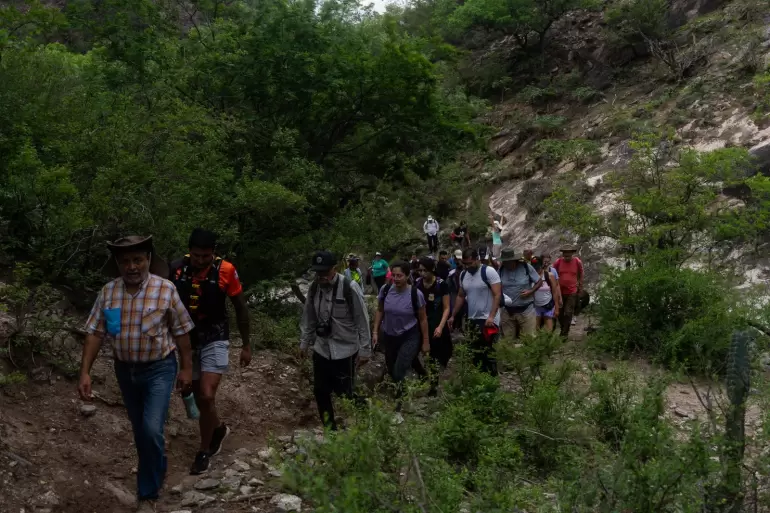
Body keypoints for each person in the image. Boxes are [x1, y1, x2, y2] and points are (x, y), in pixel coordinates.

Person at [79, 236, 194, 512]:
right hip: (125, 370)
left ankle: (148, 494)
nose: (132, 266)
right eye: (125, 261)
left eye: (138, 260)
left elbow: (182, 333)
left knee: (151, 427)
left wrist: (187, 369)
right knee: (140, 431)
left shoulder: (165, 290)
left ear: (148, 261)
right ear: (118, 264)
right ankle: (157, 467)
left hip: (160, 368)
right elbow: (95, 333)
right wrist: (85, 372)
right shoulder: (109, 292)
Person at [169, 229, 252, 475]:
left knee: (206, 395)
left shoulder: (226, 271)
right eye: (197, 256)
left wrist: (246, 345)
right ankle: (217, 428)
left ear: (214, 253)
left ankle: (204, 450)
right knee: (194, 392)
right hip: (187, 339)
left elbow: (240, 307)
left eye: (206, 256)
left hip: (216, 335)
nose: (201, 260)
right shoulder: (176, 270)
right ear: (189, 251)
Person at [300, 251, 371, 430]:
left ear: (334, 269)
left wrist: (365, 349)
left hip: (345, 349)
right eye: (318, 272)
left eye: (324, 272)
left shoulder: (349, 287)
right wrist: (304, 342)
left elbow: (362, 320)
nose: (321, 276)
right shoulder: (314, 288)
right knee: (320, 391)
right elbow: (308, 316)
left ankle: (367, 415)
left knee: (345, 392)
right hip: (322, 347)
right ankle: (330, 431)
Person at [372, 261, 429, 404]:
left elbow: (423, 319)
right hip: (389, 335)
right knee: (391, 369)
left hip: (409, 335)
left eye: (400, 276)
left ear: (407, 275)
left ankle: (400, 400)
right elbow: (380, 310)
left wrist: (426, 341)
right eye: (394, 275)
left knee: (399, 369)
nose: (396, 279)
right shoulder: (385, 290)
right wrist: (375, 332)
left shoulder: (416, 294)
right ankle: (420, 377)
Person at [448, 248, 502, 375]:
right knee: (475, 351)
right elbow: (461, 296)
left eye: (470, 263)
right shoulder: (463, 275)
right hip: (472, 318)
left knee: (489, 352)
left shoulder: (488, 272)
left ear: (477, 259)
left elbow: (497, 295)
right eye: (465, 264)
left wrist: (491, 316)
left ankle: (492, 380)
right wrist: (453, 315)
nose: (467, 266)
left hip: (488, 319)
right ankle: (480, 382)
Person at [415, 258, 452, 395]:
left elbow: (447, 307)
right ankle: (423, 374)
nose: (422, 273)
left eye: (425, 270)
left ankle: (434, 385)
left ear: (432, 270)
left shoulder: (441, 284)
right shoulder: (418, 284)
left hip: (436, 320)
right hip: (421, 322)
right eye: (420, 270)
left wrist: (441, 326)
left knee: (435, 354)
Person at [498, 248, 542, 340]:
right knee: (507, 341)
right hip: (507, 311)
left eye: (508, 261)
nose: (506, 264)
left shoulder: (526, 267)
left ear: (513, 260)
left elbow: (539, 281)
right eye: (504, 261)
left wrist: (530, 291)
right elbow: (496, 285)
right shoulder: (501, 269)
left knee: (529, 340)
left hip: (526, 310)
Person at [553, 244, 584, 338]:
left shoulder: (577, 261)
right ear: (562, 254)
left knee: (568, 312)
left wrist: (580, 285)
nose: (566, 256)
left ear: (572, 253)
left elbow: (581, 273)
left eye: (568, 254)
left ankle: (564, 334)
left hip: (572, 291)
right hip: (560, 291)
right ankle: (563, 328)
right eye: (565, 254)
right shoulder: (558, 262)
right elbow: (552, 272)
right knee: (560, 313)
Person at [530, 256, 561, 332]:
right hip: (536, 306)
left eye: (538, 268)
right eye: (534, 268)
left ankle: (547, 343)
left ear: (542, 266)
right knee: (535, 329)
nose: (536, 270)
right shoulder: (530, 277)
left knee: (548, 330)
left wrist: (556, 308)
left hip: (548, 305)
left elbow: (554, 292)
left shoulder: (549, 276)